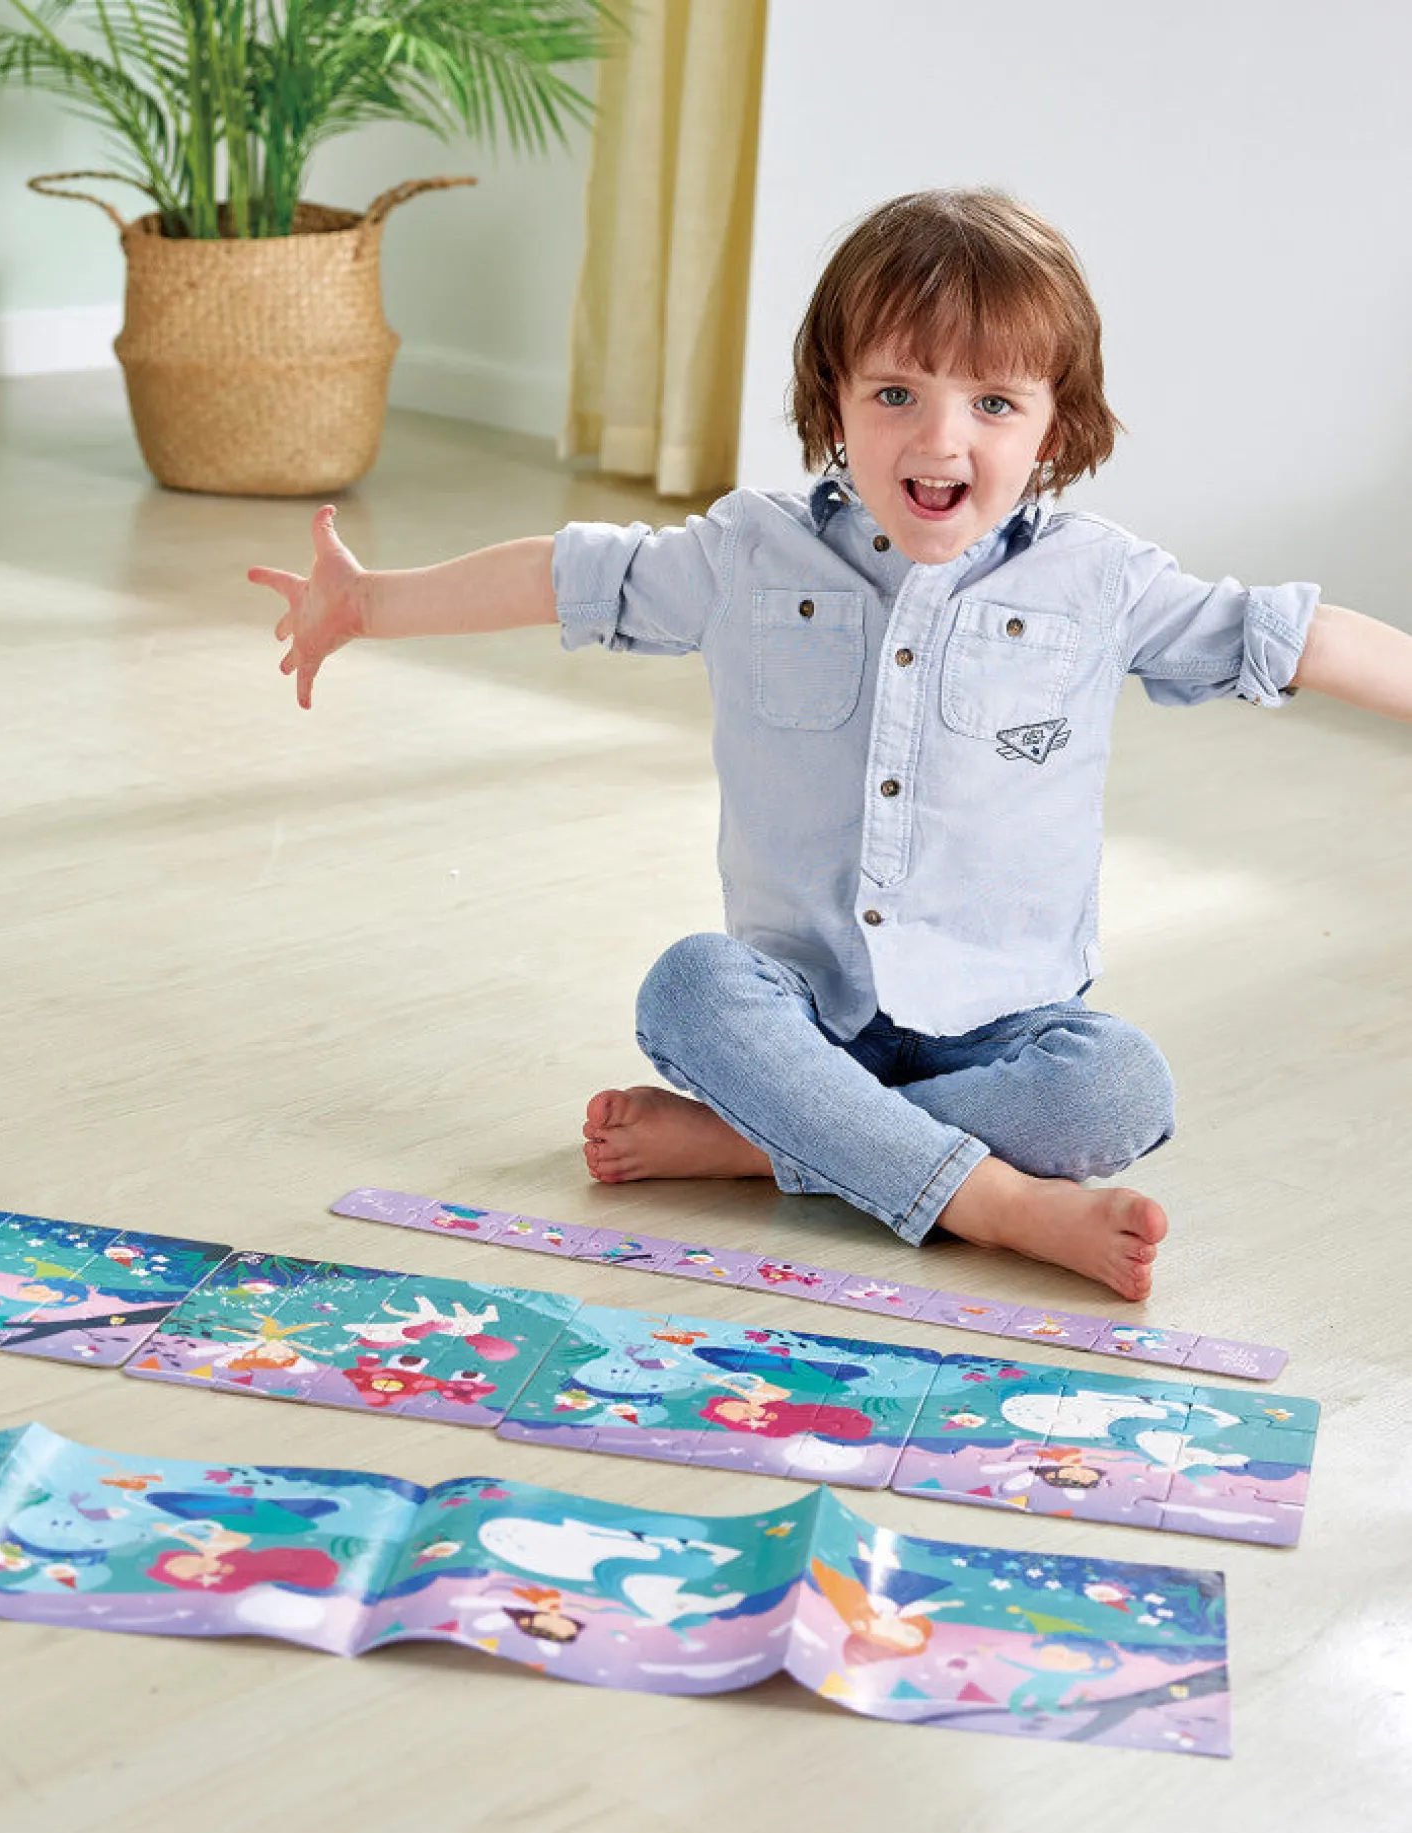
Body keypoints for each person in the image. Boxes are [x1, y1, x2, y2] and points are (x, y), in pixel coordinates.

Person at [248, 189, 1412, 1301]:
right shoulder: (750, 554)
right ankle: (995, 1203)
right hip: (799, 1012)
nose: (941, 437)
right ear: (833, 401)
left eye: (994, 404)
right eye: (896, 393)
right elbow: (571, 575)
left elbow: (1294, 636)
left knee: (1121, 1089)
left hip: (1001, 1031)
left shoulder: (1103, 582)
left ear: (1057, 422)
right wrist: (372, 603)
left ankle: (764, 1145)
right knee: (688, 989)